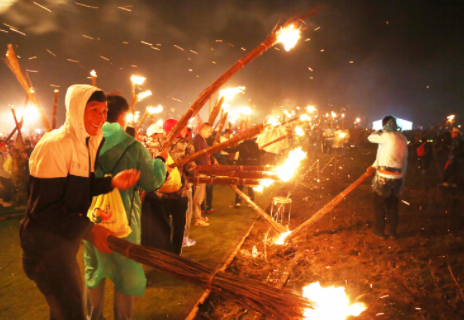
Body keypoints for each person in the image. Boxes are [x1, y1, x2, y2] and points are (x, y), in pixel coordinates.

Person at [20, 85, 140, 320]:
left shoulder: (86, 143)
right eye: (94, 109)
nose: (101, 117)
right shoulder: (55, 145)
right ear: (76, 110)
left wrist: (111, 182)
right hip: (44, 250)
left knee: (62, 312)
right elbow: (44, 209)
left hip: (63, 245)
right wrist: (90, 230)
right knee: (73, 314)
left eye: (104, 111)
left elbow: (79, 189)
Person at [84, 93, 167, 320]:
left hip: (92, 221)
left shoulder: (87, 141)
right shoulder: (133, 147)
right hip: (125, 225)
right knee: (126, 276)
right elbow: (151, 182)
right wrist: (160, 162)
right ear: (123, 115)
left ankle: (94, 317)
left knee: (93, 272)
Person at [152, 119, 196, 254]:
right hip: (180, 192)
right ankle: (175, 254)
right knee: (178, 226)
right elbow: (190, 167)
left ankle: (161, 252)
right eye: (183, 128)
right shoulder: (185, 144)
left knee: (161, 224)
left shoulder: (155, 144)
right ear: (176, 129)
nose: (185, 131)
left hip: (159, 191)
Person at [368, 116, 408, 240]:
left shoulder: (385, 136)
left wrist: (380, 130)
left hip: (384, 177)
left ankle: (380, 231)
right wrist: (373, 166)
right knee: (393, 206)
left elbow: (370, 138)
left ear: (384, 125)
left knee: (379, 205)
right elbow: (385, 154)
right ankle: (393, 233)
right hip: (397, 177)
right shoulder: (403, 138)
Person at [224, 138, 261, 207]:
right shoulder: (255, 145)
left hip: (242, 167)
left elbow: (231, 150)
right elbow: (258, 158)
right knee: (250, 185)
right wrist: (258, 168)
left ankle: (238, 202)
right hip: (251, 168)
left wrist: (222, 147)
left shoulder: (242, 145)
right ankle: (251, 202)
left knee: (240, 185)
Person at [192, 122, 213, 226]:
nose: (210, 134)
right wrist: (205, 166)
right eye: (209, 131)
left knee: (200, 195)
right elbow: (199, 156)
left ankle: (198, 216)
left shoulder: (200, 139)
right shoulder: (198, 139)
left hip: (203, 169)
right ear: (203, 129)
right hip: (200, 170)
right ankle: (197, 219)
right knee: (198, 196)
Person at [0, 141, 13, 206]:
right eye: (4, 147)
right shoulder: (1, 155)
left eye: (6, 146)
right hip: (2, 174)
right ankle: (5, 201)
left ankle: (5, 200)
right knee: (6, 188)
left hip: (8, 174)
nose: (6, 148)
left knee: (9, 187)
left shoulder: (8, 154)